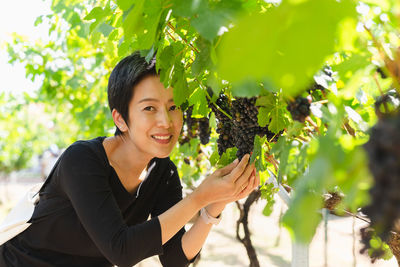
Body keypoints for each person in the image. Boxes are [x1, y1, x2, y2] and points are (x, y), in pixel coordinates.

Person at [0, 52, 259, 267]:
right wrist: (199, 197)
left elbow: (174, 259)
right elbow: (121, 250)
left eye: (173, 107)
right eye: (149, 108)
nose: (166, 122)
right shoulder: (82, 161)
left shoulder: (162, 172)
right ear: (120, 119)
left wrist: (215, 204)